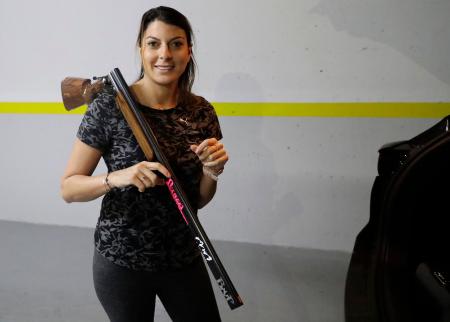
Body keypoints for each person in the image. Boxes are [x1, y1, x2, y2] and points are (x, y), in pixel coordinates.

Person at [60, 6, 228, 322]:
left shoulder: (202, 112)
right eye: (154, 43)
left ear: (188, 50)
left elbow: (195, 202)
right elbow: (69, 188)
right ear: (141, 48)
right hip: (121, 260)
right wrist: (116, 178)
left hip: (183, 256)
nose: (164, 54)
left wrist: (211, 172)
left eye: (175, 43)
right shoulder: (108, 106)